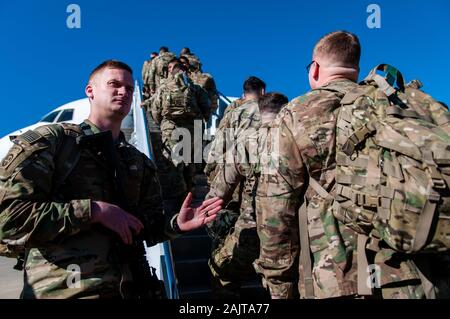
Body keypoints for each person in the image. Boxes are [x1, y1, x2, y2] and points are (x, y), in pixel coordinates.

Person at [0, 60, 222, 299]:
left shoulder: (137, 162)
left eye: (128, 87)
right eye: (114, 84)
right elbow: (7, 220)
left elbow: (144, 229)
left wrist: (177, 225)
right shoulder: (53, 141)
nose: (124, 92)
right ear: (90, 90)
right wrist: (94, 211)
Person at [254, 30, 450, 299]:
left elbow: (275, 210)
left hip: (340, 282)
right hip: (422, 278)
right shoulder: (397, 103)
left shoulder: (295, 114)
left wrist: (279, 286)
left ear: (315, 69)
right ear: (355, 70)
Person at [206, 92, 287, 298]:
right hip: (295, 233)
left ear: (259, 114)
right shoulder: (301, 140)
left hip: (253, 230)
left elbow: (218, 192)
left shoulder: (246, 144)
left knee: (221, 273)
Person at [204, 76, 266, 249]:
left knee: (233, 223)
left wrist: (210, 171)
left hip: (235, 174)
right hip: (265, 177)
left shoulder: (234, 113)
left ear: (244, 93)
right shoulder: (271, 112)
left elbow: (219, 145)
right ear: (262, 91)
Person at [151, 59, 211, 195]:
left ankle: (179, 193)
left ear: (169, 70)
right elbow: (206, 107)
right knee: (190, 161)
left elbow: (156, 110)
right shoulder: (194, 87)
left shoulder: (163, 87)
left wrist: (163, 123)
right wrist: (202, 121)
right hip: (192, 127)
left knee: (174, 159)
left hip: (170, 127)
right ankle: (190, 191)